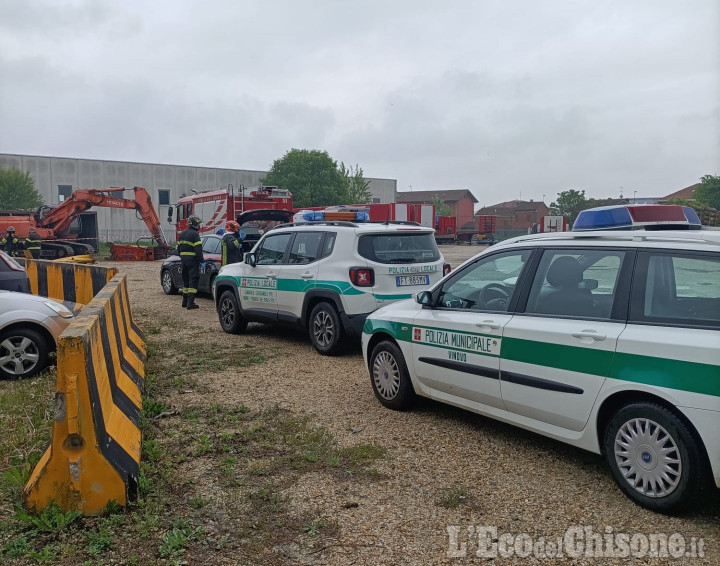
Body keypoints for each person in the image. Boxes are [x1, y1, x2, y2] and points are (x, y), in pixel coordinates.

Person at [177, 215, 204, 310]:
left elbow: (178, 250)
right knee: (193, 280)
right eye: (198, 224)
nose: (199, 226)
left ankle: (184, 302)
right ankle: (190, 303)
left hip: (184, 261)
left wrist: (183, 258)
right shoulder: (195, 235)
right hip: (193, 261)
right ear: (195, 224)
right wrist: (202, 261)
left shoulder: (182, 234)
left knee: (186, 281)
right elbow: (198, 251)